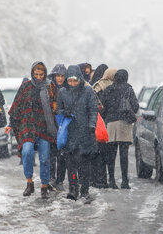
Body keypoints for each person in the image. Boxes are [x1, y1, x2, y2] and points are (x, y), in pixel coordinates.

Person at [5, 62, 57, 199]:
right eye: (36, 74)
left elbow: (56, 108)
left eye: (41, 74)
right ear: (32, 74)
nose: (39, 77)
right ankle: (29, 182)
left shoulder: (50, 87)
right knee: (27, 152)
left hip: (44, 129)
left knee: (45, 158)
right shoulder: (26, 87)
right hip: (27, 127)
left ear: (45, 73)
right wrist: (11, 124)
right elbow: (16, 107)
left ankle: (44, 186)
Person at [57, 65, 98, 200]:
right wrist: (65, 113)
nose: (73, 84)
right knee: (71, 163)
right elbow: (58, 110)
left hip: (85, 132)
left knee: (85, 163)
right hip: (70, 132)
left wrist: (92, 125)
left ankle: (85, 189)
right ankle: (73, 189)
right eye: (70, 81)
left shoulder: (88, 91)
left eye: (75, 80)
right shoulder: (63, 92)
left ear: (79, 79)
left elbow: (93, 109)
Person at [100, 69, 139, 189]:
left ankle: (111, 180)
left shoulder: (108, 89)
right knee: (124, 154)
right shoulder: (129, 89)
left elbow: (103, 107)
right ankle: (125, 181)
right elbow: (136, 106)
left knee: (111, 155)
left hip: (111, 124)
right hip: (124, 123)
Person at [92, 67, 117, 188]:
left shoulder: (97, 86)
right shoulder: (114, 87)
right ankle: (105, 180)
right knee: (107, 155)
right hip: (107, 123)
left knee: (99, 154)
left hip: (99, 124)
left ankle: (98, 179)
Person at [47, 64, 68, 191]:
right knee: (51, 154)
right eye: (57, 76)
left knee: (62, 155)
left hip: (63, 125)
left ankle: (60, 180)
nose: (59, 78)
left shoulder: (68, 89)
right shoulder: (48, 89)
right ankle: (51, 178)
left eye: (62, 76)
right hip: (50, 124)